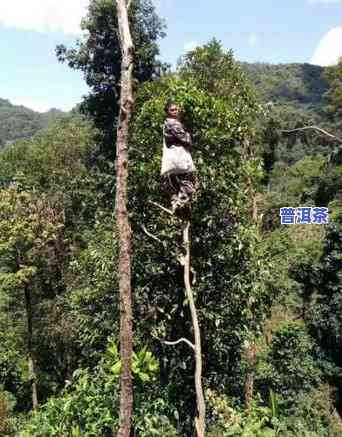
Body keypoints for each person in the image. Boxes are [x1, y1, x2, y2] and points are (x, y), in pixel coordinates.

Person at [161, 102, 197, 213]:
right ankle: (180, 203)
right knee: (187, 180)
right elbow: (185, 138)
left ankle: (176, 203)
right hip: (178, 156)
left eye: (176, 109)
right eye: (172, 110)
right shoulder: (173, 124)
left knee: (174, 183)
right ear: (167, 112)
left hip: (173, 158)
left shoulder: (167, 123)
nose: (175, 111)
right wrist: (190, 138)